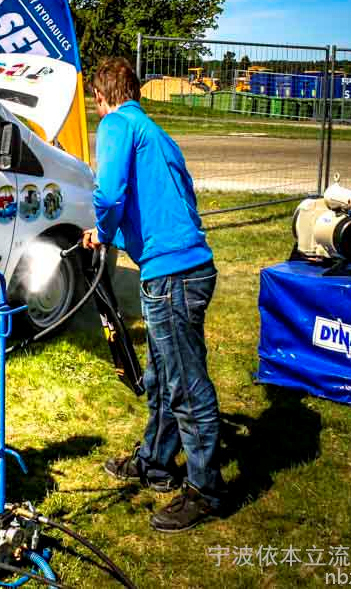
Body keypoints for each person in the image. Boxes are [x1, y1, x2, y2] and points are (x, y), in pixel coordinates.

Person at [82, 57, 225, 533]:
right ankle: (156, 464)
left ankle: (206, 491)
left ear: (102, 97)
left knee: (185, 385)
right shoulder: (158, 135)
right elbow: (173, 204)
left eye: (95, 103)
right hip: (187, 268)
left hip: (173, 276)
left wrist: (103, 229)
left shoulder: (116, 124)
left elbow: (109, 193)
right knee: (162, 376)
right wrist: (108, 235)